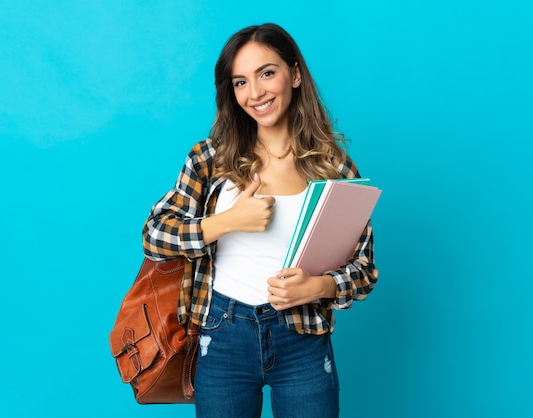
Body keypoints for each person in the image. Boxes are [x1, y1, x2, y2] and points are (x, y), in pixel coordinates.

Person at [143, 23, 378, 418]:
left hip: (301, 339)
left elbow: (365, 271)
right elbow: (154, 236)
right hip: (222, 332)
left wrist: (317, 286)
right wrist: (227, 221)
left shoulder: (333, 168)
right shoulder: (210, 158)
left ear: (296, 74)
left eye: (267, 73)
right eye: (239, 82)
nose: (255, 93)